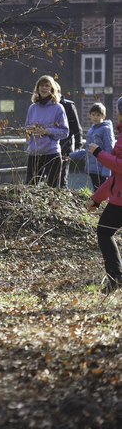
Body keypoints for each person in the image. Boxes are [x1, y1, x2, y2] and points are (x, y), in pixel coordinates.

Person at [87, 97, 122, 294]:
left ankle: (116, 278)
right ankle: (115, 278)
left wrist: (99, 153)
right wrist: (97, 197)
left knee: (104, 231)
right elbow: (116, 175)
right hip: (118, 195)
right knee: (105, 231)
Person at [24, 75, 69, 188]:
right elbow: (26, 130)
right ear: (38, 88)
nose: (44, 88)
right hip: (34, 153)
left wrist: (47, 131)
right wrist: (30, 132)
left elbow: (65, 132)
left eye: (47, 86)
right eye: (41, 85)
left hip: (52, 153)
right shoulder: (32, 108)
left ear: (52, 89)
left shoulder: (58, 108)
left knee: (52, 189)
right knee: (30, 188)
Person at [68, 102, 115, 191]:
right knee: (96, 191)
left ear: (103, 116)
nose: (95, 117)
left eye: (98, 115)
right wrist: (71, 155)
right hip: (93, 170)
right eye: (93, 115)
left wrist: (107, 171)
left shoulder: (106, 129)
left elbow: (110, 150)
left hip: (103, 170)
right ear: (90, 115)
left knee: (104, 193)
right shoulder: (90, 131)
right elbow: (87, 151)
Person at [56, 82, 83, 188]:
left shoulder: (68, 106)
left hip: (65, 146)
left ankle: (62, 198)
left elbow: (77, 128)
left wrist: (77, 148)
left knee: (62, 176)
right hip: (49, 146)